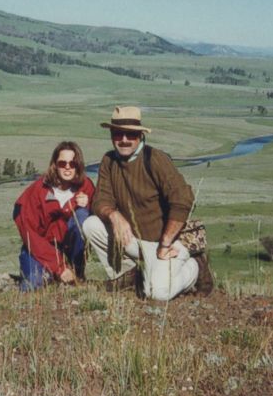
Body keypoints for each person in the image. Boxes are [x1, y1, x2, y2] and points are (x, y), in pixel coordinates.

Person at [84, 106, 214, 300]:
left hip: (167, 243)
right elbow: (101, 199)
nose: (124, 140)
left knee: (157, 293)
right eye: (119, 134)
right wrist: (114, 215)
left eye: (131, 134)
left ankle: (194, 269)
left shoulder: (155, 159)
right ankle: (127, 275)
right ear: (111, 134)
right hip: (136, 242)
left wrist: (166, 241)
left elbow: (183, 200)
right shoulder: (109, 161)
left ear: (140, 135)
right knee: (91, 225)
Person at [12, 141, 94, 291]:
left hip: (68, 249)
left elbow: (97, 221)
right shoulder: (38, 190)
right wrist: (59, 267)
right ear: (55, 165)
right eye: (62, 163)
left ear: (79, 165)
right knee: (33, 284)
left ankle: (77, 271)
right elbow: (30, 235)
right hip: (40, 247)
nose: (68, 167)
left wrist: (89, 206)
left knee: (83, 217)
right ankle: (56, 273)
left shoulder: (86, 186)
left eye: (73, 163)